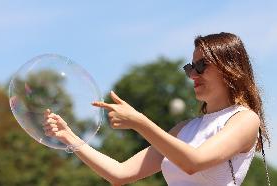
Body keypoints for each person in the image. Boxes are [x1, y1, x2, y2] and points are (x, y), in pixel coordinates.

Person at [43, 32, 271, 186]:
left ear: (230, 69)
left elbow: (193, 162)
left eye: (201, 65)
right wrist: (69, 137)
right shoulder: (184, 129)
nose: (193, 74)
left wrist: (140, 122)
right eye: (190, 67)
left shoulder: (244, 119)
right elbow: (120, 173)